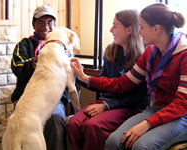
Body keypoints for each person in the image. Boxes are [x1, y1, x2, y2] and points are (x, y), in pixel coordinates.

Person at [70, 3, 187, 150]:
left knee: (141, 146)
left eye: (142, 27)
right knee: (113, 141)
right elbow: (123, 84)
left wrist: (147, 123)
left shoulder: (184, 54)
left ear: (156, 29)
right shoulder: (151, 52)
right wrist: (87, 78)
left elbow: (182, 104)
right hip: (157, 109)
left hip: (182, 115)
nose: (139, 32)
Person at [66, 9, 148, 150]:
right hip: (106, 102)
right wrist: (78, 76)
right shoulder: (111, 50)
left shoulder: (144, 57)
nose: (111, 30)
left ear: (129, 30)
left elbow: (139, 99)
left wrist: (106, 107)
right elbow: (103, 84)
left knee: (93, 126)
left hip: (129, 107)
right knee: (74, 123)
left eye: (115, 26)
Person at [11, 5, 68, 150]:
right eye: (41, 22)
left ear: (55, 25)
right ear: (33, 24)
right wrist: (32, 64)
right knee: (21, 124)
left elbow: (71, 74)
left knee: (55, 119)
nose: (46, 27)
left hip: (53, 100)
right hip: (27, 100)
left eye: (50, 22)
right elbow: (16, 67)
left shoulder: (63, 47)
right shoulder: (23, 44)